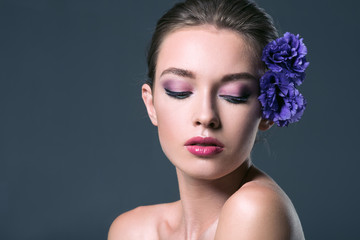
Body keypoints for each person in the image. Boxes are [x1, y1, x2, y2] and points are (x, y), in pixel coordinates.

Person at [108, 0, 308, 239]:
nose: (206, 116)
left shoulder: (254, 208)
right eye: (179, 91)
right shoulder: (132, 230)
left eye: (234, 95)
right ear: (151, 104)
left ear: (268, 108)